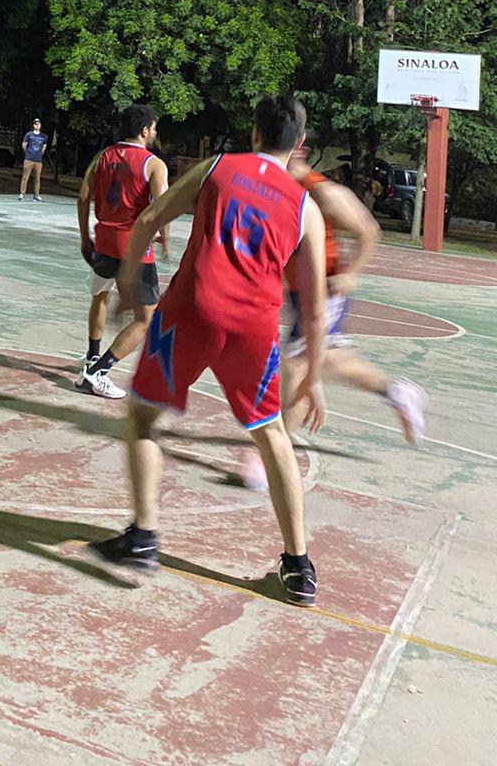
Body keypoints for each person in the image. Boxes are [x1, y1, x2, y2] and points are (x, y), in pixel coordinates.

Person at [93, 94, 328, 606]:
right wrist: (314, 374)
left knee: (143, 417)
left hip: (191, 312)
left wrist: (130, 282)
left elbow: (149, 218)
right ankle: (298, 565)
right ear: (299, 144)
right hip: (254, 326)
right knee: (272, 434)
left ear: (254, 132)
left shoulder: (217, 168)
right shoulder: (305, 208)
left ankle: (143, 535)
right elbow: (313, 305)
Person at [240, 147, 426, 489]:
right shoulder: (275, 188)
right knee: (329, 362)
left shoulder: (323, 192)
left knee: (298, 367)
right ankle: (397, 392)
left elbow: (369, 231)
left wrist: (351, 273)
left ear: (300, 151)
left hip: (325, 289)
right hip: (302, 292)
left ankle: (271, 457)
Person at [75, 104, 169, 399]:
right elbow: (162, 207)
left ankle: (92, 355)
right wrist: (162, 237)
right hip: (133, 250)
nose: (154, 133)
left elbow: (83, 197)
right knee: (145, 320)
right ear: (144, 131)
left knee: (100, 297)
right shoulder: (154, 164)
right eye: (153, 128)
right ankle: (97, 372)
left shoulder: (101, 157)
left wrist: (84, 238)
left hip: (103, 242)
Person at [18, 117, 48, 200]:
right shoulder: (29, 134)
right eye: (36, 124)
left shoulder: (44, 136)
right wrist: (28, 153)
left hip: (38, 160)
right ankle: (22, 193)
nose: (37, 125)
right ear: (33, 125)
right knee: (25, 177)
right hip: (29, 159)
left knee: (37, 178)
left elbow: (44, 147)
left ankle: (36, 195)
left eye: (39, 124)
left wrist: (40, 154)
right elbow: (24, 145)